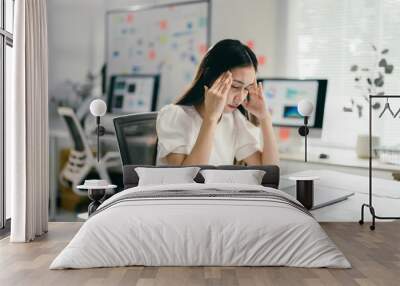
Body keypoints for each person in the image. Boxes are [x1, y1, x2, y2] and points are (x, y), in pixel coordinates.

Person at [156, 39, 279, 166]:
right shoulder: (174, 115)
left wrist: (265, 117)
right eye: (235, 86)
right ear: (210, 78)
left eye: (247, 88)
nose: (240, 98)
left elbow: (269, 172)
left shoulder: (233, 118)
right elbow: (186, 179)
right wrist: (211, 119)